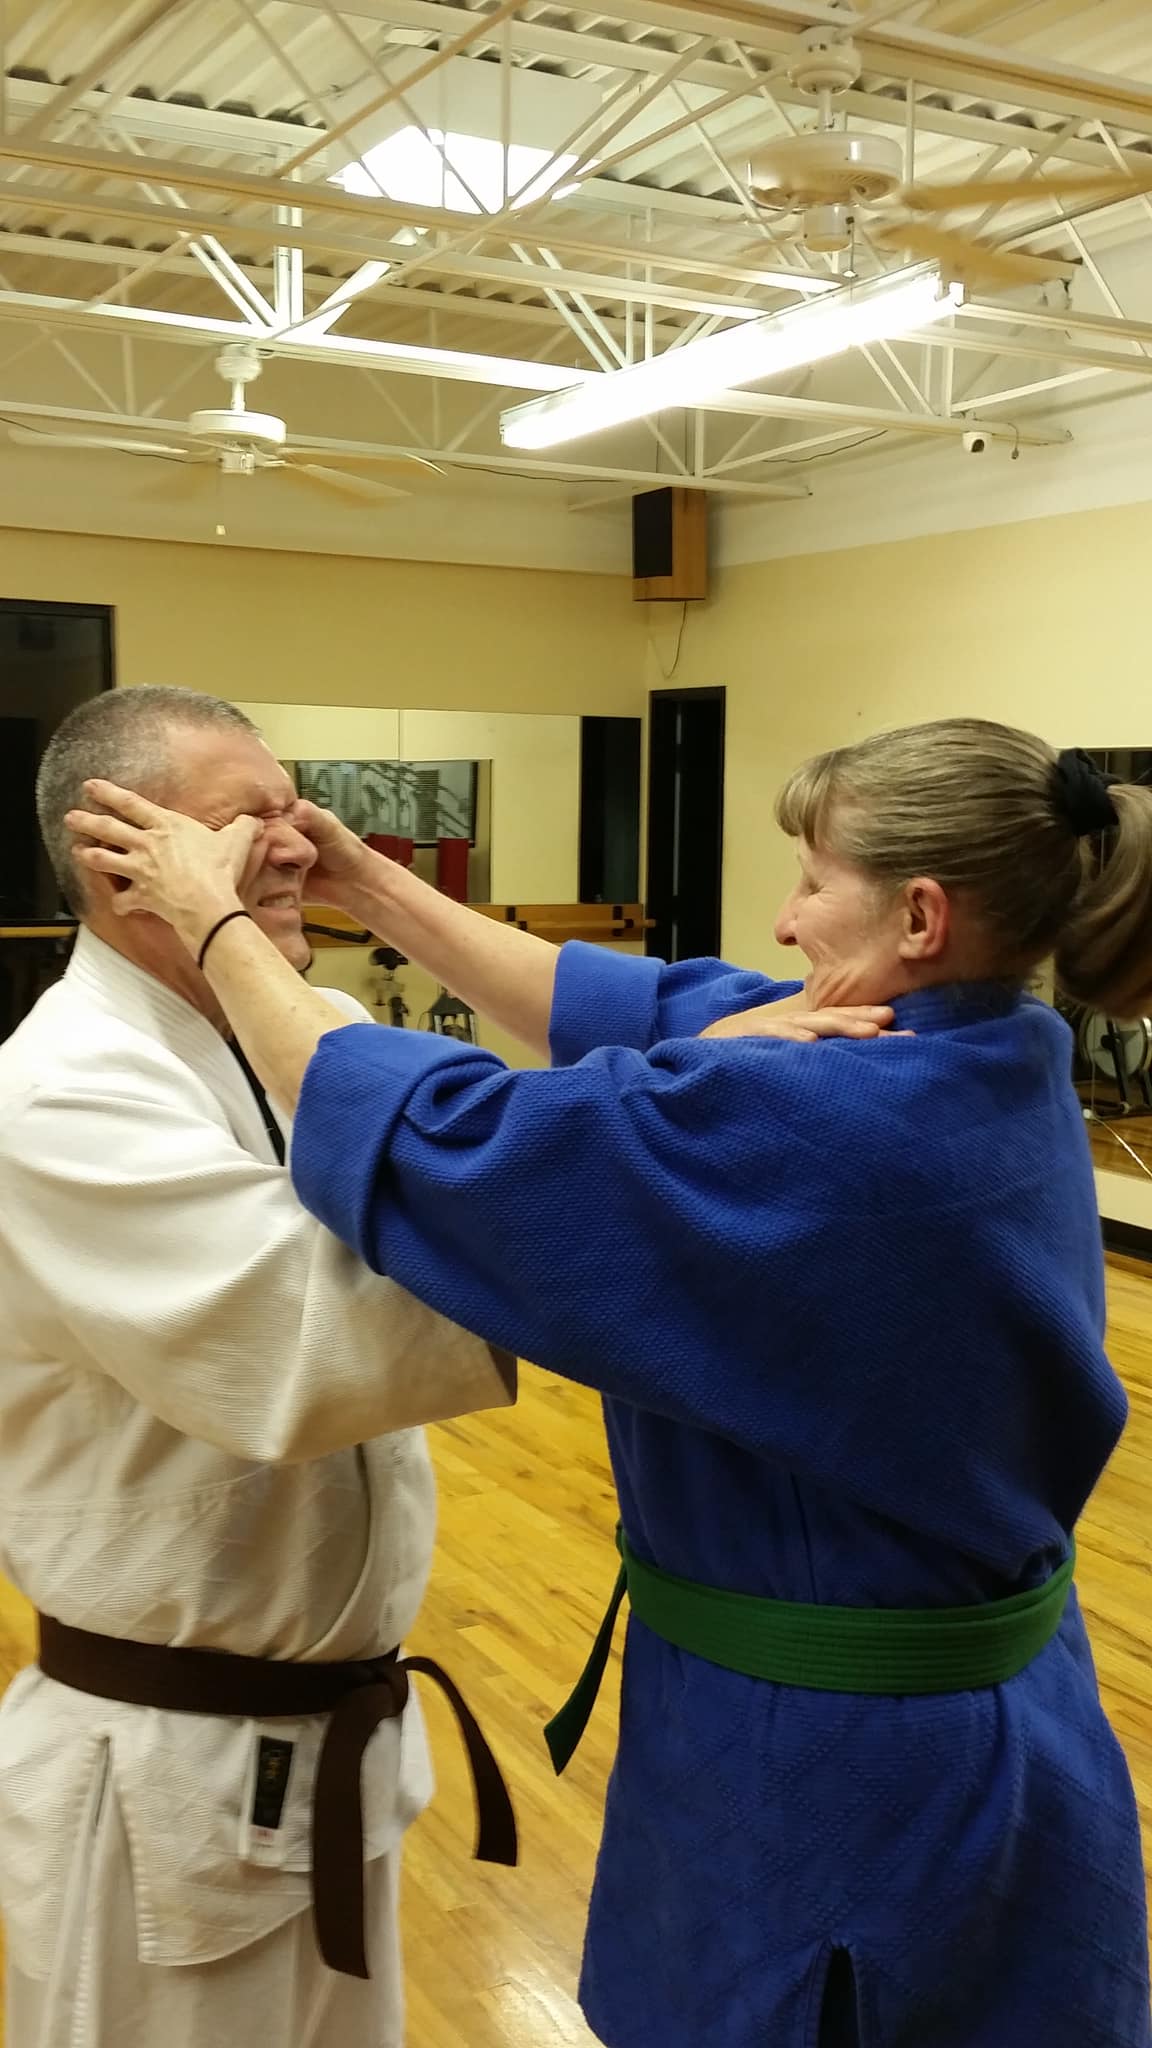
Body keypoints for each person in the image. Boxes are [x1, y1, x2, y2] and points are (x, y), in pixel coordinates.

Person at [68, 718, 1152, 2048]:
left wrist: (216, 921)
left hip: (845, 1768)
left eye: (812, 883)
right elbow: (641, 1011)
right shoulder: (980, 1042)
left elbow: (447, 1139)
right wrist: (366, 878)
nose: (785, 918)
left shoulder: (834, 1119)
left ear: (921, 915)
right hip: (993, 1710)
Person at [0, 686, 518, 2048]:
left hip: (334, 1742)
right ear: (124, 859)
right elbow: (306, 1342)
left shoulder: (304, 1019)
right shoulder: (62, 1092)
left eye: (297, 811)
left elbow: (468, 1148)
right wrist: (635, 1224)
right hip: (165, 1777)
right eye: (252, 821)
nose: (297, 844)